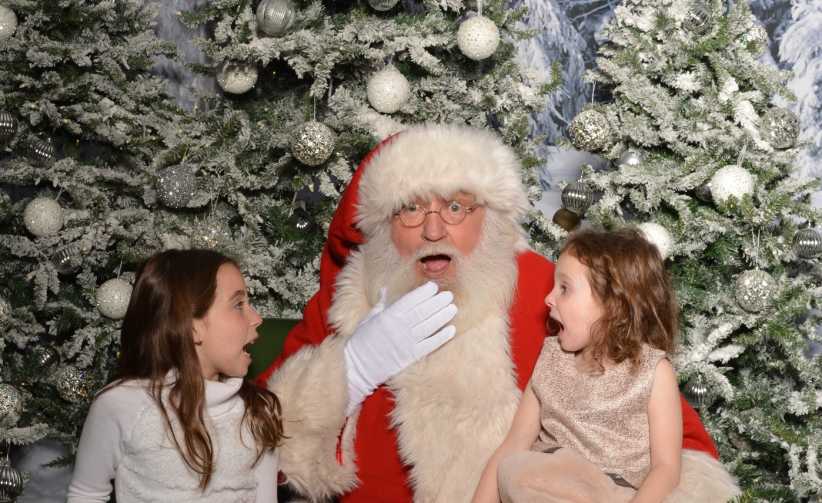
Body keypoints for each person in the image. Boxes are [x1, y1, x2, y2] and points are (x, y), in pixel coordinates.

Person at [256, 124, 733, 502]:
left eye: (457, 207)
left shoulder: (545, 290)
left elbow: (677, 448)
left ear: (489, 217)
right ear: (381, 226)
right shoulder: (346, 302)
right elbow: (252, 447)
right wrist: (351, 370)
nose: (435, 228)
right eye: (411, 209)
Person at [472, 228, 741, 503]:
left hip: (618, 492)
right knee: (517, 470)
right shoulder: (551, 357)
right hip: (550, 482)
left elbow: (666, 469)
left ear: (613, 305)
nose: (549, 298)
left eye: (564, 288)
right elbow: (513, 444)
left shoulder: (654, 371)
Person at [67, 249, 283, 503]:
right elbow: (86, 494)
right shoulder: (121, 405)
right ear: (192, 327)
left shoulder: (260, 411)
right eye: (238, 304)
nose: (256, 318)